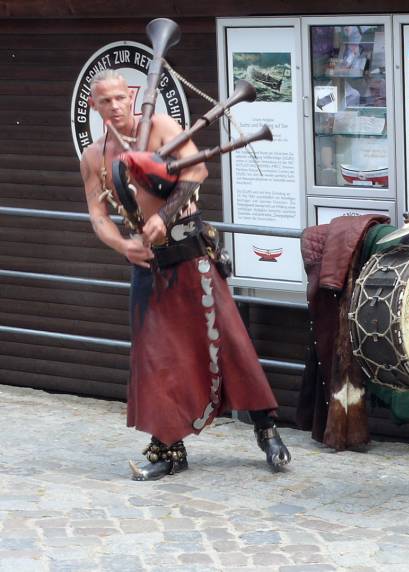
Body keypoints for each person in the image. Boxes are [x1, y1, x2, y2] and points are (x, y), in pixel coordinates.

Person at [79, 70, 290, 481]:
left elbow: (196, 174)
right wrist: (123, 245)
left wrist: (164, 215)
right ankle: (168, 448)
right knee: (154, 357)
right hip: (149, 264)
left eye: (122, 97)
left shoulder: (159, 127)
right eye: (106, 101)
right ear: (94, 106)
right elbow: (97, 215)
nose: (116, 106)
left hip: (191, 253)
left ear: (132, 96)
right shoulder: (93, 157)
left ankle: (266, 429)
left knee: (230, 342)